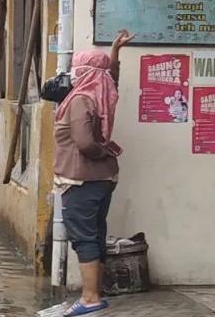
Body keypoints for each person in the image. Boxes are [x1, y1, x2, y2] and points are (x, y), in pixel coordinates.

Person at [54, 30, 134, 317]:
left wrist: (103, 150)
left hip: (81, 179)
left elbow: (85, 142)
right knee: (96, 234)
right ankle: (95, 294)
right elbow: (111, 75)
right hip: (103, 179)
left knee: (84, 237)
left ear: (83, 72)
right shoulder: (104, 93)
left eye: (76, 69)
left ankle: (90, 298)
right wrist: (115, 52)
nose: (72, 75)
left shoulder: (81, 100)